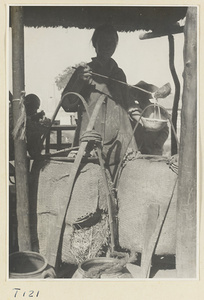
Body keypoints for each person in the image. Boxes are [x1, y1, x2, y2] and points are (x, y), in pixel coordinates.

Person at [61, 24, 137, 178]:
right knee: (89, 182)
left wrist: (138, 114)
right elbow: (67, 104)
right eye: (103, 42)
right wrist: (79, 82)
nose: (107, 46)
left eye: (112, 43)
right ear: (95, 44)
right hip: (90, 138)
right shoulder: (84, 71)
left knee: (124, 182)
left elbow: (128, 104)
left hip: (120, 140)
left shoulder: (119, 73)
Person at [129, 80, 169, 155]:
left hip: (154, 150)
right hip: (138, 150)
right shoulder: (135, 109)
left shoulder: (156, 109)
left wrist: (158, 143)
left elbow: (165, 130)